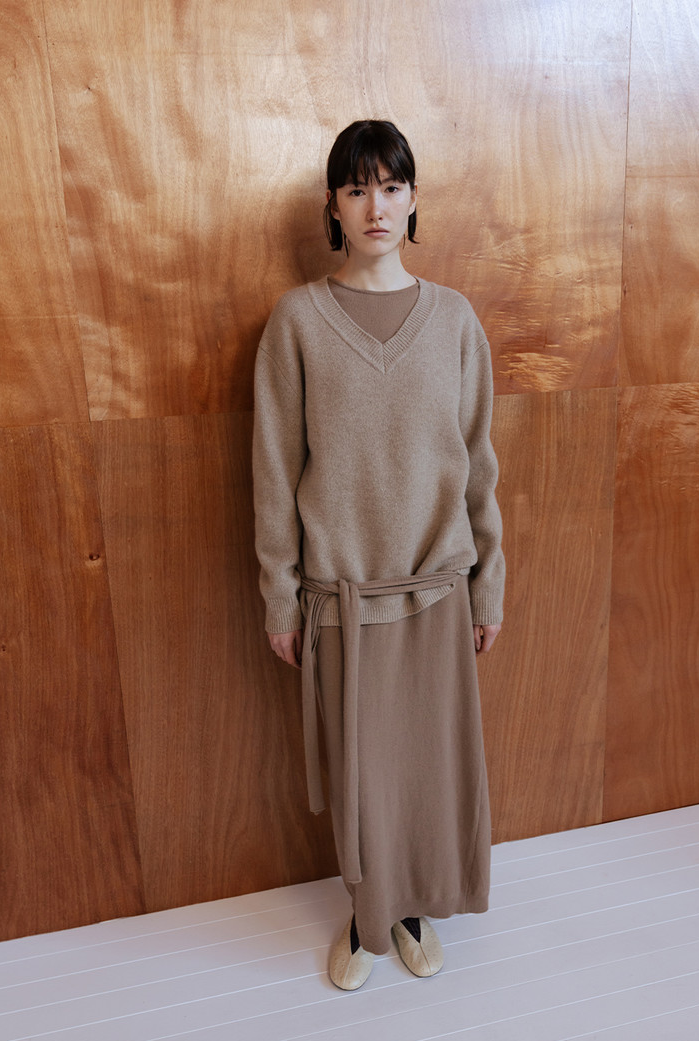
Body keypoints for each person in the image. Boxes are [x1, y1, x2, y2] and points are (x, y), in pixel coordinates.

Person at [252, 119, 505, 990]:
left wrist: (487, 586)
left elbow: (478, 463)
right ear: (333, 205)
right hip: (343, 599)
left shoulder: (455, 320)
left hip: (436, 592)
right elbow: (275, 470)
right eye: (357, 188)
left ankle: (412, 910)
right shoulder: (297, 322)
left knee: (427, 772)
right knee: (362, 777)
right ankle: (369, 916)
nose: (376, 206)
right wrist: (281, 595)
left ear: (413, 197)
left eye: (391, 187)